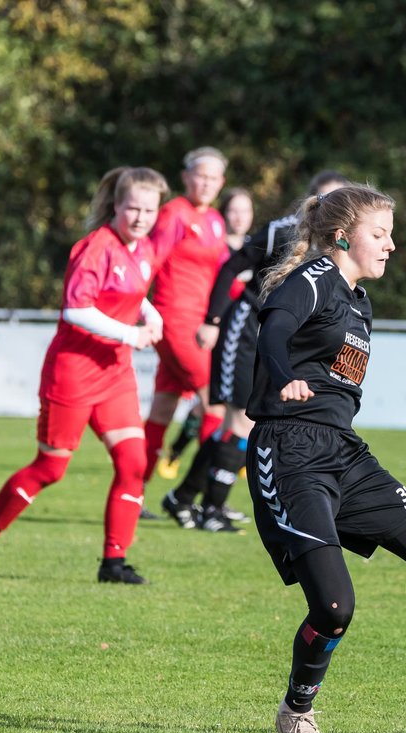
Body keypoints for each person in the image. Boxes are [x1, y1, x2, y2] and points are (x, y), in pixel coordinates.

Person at [246, 185, 406, 733]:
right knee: (334, 608)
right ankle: (297, 711)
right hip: (289, 453)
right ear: (343, 236)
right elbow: (275, 330)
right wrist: (286, 374)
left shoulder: (360, 300)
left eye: (391, 234)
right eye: (380, 234)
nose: (391, 245)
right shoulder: (310, 279)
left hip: (345, 453)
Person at [0, 167, 167, 584]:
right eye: (134, 208)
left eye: (150, 209)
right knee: (51, 469)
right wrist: (131, 332)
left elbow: (131, 293)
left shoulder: (144, 248)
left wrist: (151, 313)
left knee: (133, 462)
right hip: (73, 373)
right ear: (116, 205)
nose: (142, 217)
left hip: (115, 374)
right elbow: (76, 309)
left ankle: (114, 562)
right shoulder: (95, 247)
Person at [163, 171, 348, 534]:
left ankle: (184, 497)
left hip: (277, 336)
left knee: (241, 424)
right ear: (313, 200)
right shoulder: (282, 230)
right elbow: (232, 266)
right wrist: (213, 319)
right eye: (327, 199)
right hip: (245, 328)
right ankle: (212, 508)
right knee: (242, 421)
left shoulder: (340, 243)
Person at [139, 147, 231, 520]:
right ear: (186, 177)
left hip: (200, 323)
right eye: (200, 175)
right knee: (218, 406)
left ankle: (133, 494)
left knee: (162, 408)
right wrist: (140, 311)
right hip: (176, 322)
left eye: (213, 177)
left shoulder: (214, 220)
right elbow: (149, 262)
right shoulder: (174, 213)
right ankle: (198, 495)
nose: (206, 183)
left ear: (221, 183)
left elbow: (223, 272)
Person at [154, 185, 255, 481]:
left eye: (244, 210)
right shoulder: (214, 247)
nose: (238, 217)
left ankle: (218, 465)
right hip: (209, 330)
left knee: (214, 403)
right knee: (210, 402)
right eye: (233, 210)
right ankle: (195, 475)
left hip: (238, 336)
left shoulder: (256, 248)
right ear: (224, 214)